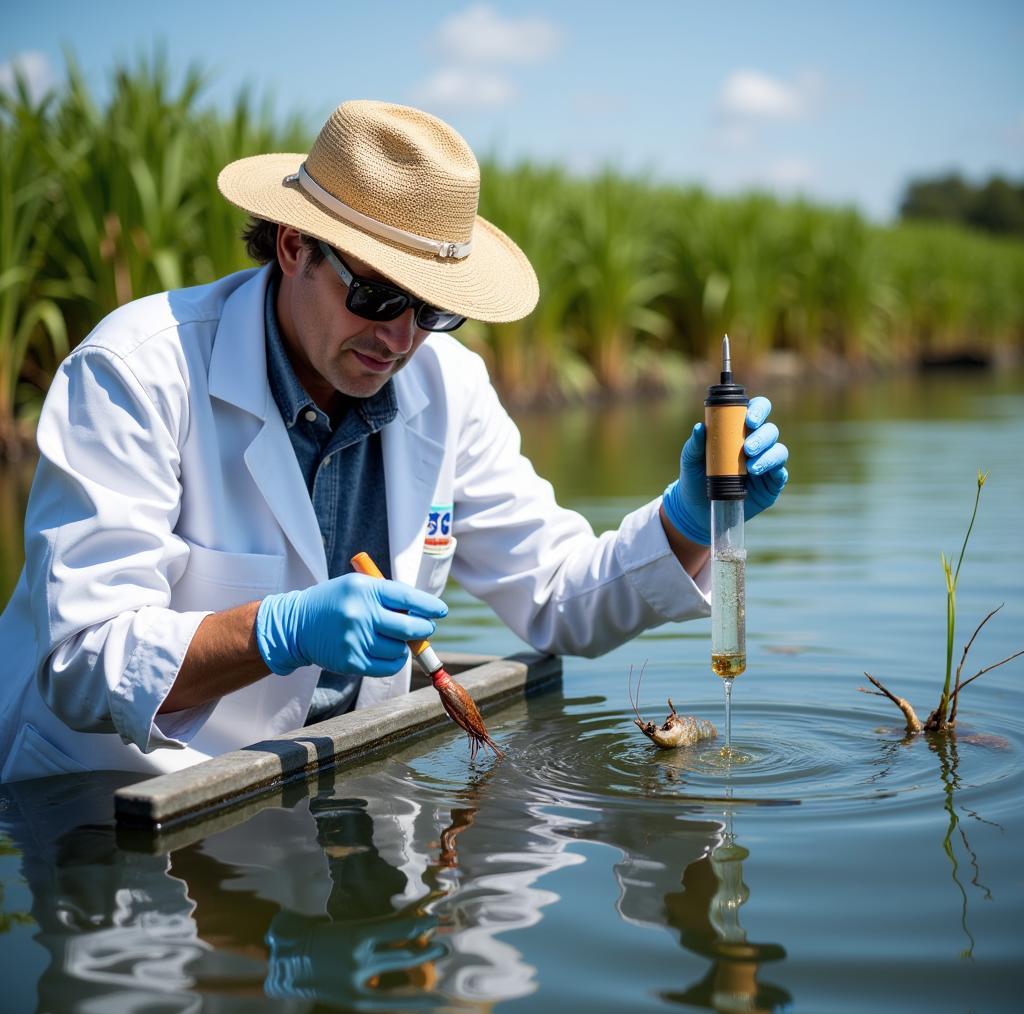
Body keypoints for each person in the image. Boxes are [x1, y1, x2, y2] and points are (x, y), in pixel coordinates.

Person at [0, 100, 788, 782]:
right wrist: (278, 630)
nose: (401, 339)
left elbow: (553, 593)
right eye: (377, 294)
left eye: (432, 309)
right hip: (111, 806)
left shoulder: (447, 385)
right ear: (293, 247)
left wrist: (688, 520)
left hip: (319, 788)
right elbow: (83, 661)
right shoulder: (134, 372)